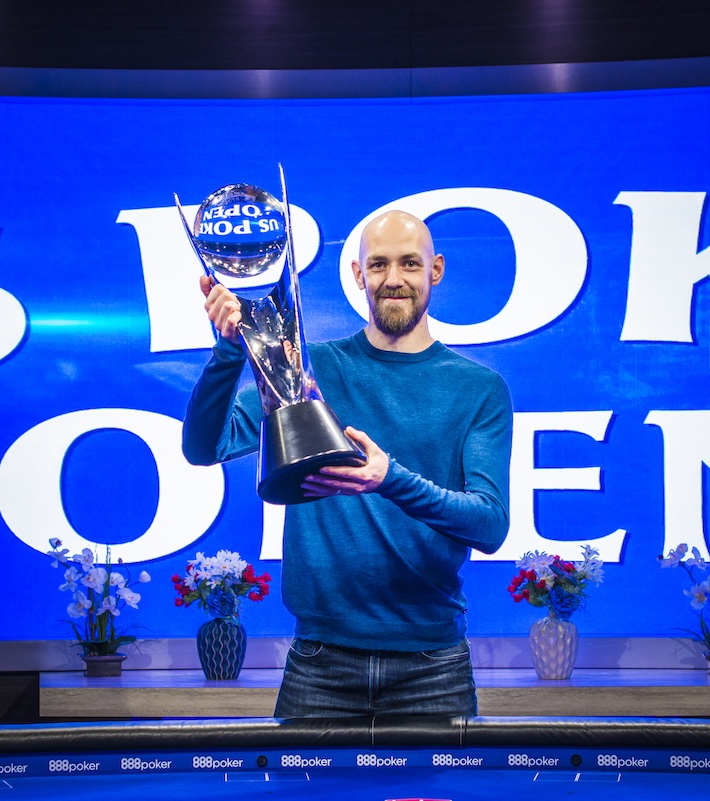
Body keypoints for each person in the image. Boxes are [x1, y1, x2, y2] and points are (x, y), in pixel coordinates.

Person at [182, 210, 513, 717]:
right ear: (359, 276)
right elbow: (206, 447)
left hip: (434, 667)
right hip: (319, 663)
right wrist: (229, 351)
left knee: (438, 799)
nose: (394, 279)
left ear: (436, 270)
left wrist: (390, 479)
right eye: (378, 265)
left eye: (410, 264)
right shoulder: (307, 371)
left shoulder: (479, 389)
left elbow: (489, 524)